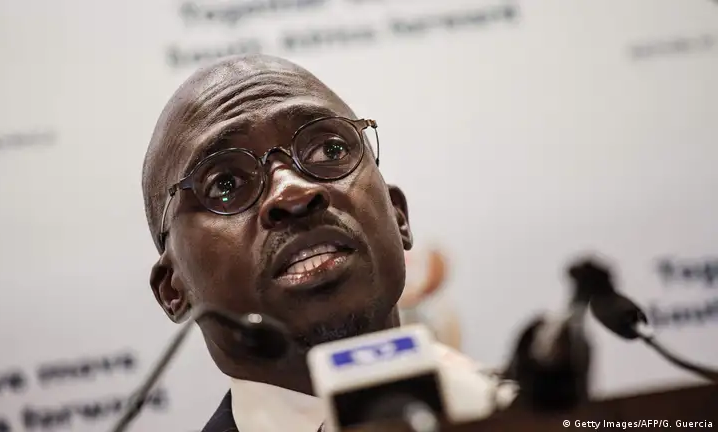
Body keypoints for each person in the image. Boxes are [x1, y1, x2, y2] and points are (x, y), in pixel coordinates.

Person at [142, 54, 512, 432]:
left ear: (398, 215)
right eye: (225, 184)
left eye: (329, 150)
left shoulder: (519, 410)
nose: (293, 193)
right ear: (174, 290)